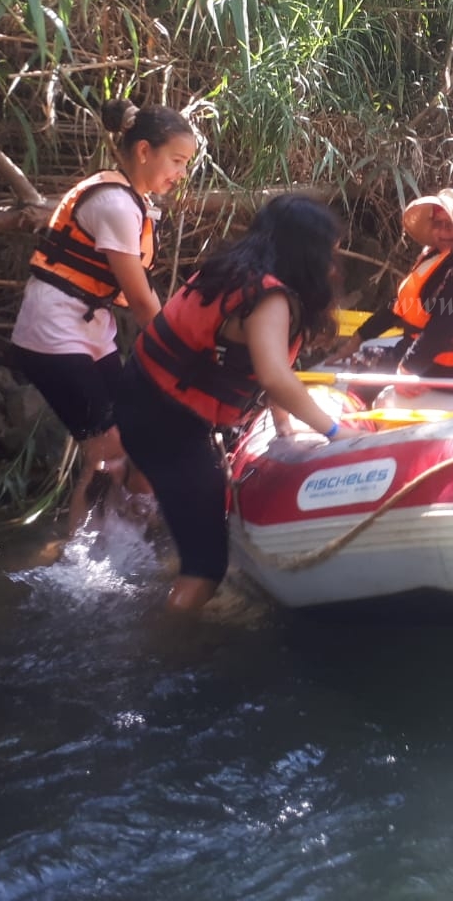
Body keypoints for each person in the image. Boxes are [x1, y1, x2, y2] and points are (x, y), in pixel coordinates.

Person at [113, 194, 345, 612]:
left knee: (177, 512)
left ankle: (124, 550)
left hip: (140, 399)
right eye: (328, 251)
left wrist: (286, 430)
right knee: (206, 567)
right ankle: (167, 651)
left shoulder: (230, 272)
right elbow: (275, 375)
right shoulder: (270, 297)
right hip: (171, 424)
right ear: (306, 251)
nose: (332, 264)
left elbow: (263, 373)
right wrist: (335, 432)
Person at [10, 99, 196, 533]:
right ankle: (80, 554)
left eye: (185, 164)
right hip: (52, 335)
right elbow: (139, 297)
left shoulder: (133, 202)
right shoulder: (114, 203)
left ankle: (120, 536)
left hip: (90, 333)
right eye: (176, 161)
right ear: (145, 150)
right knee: (107, 446)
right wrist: (184, 352)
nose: (180, 173)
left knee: (133, 434)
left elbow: (140, 296)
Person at [336, 188, 453, 396]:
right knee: (367, 353)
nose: (443, 232)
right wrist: (360, 337)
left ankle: (357, 422)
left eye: (452, 225)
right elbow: (401, 304)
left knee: (364, 364)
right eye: (438, 224)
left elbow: (440, 331)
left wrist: (407, 371)